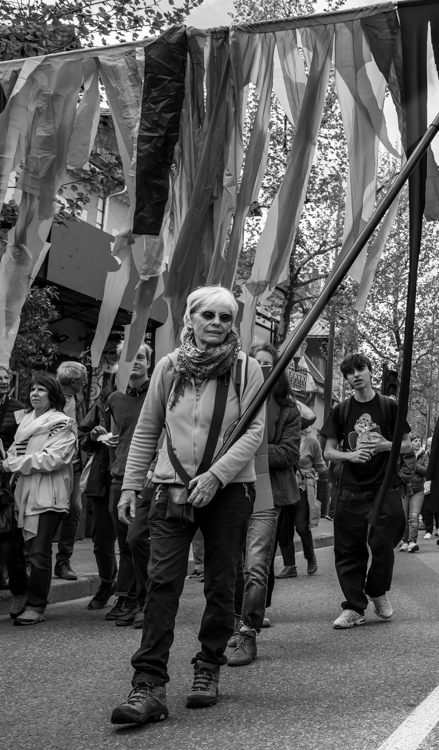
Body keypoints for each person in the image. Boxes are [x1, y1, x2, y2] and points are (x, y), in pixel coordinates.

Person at [109, 286, 265, 724]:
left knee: (221, 583)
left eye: (225, 317)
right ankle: (148, 685)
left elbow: (253, 433)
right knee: (161, 584)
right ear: (190, 320)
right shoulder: (169, 367)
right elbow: (147, 428)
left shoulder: (246, 369)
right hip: (170, 488)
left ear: (233, 325)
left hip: (229, 491)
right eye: (208, 315)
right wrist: (129, 486)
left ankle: (207, 668)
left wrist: (216, 477)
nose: (216, 323)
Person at [320, 353, 411, 630]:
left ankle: (376, 589)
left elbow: (407, 446)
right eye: (349, 372)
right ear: (347, 379)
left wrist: (386, 445)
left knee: (385, 542)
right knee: (349, 550)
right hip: (350, 490)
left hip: (385, 487)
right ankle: (354, 607)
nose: (355, 375)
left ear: (370, 372)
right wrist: (350, 456)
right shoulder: (342, 411)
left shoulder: (389, 407)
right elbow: (329, 451)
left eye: (360, 369)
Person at [228, 343, 300, 668]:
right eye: (256, 363)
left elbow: (289, 453)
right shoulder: (234, 402)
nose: (262, 368)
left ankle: (248, 632)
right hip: (232, 490)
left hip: (268, 494)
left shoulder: (288, 409)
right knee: (232, 564)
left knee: (256, 566)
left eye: (268, 364)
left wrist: (252, 452)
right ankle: (232, 620)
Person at [79, 343, 153, 619]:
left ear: (149, 362)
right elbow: (94, 437)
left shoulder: (159, 393)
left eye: (141, 357)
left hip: (147, 476)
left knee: (137, 540)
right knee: (122, 542)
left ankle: (143, 598)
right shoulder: (111, 398)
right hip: (116, 476)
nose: (135, 362)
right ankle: (127, 598)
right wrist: (98, 435)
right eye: (128, 358)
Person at [3, 373, 77, 625]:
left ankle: (36, 606)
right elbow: (16, 450)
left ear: (53, 395)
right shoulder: (24, 422)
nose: (35, 393)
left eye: (41, 390)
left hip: (48, 495)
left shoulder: (62, 423)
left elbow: (52, 458)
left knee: (38, 553)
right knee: (17, 551)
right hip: (21, 493)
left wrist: (11, 464)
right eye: (32, 389)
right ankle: (22, 595)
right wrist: (9, 460)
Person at [53, 360, 88, 581]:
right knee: (48, 512)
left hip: (74, 464)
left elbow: (83, 426)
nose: (85, 385)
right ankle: (34, 560)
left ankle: (63, 562)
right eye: (83, 382)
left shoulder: (80, 399)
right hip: (50, 466)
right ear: (74, 382)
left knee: (74, 509)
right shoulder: (47, 396)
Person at [287, 403, 325, 576]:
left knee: (302, 527)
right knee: (284, 528)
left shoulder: (312, 441)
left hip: (302, 488)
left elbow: (321, 467)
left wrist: (308, 473)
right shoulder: (285, 436)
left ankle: (311, 558)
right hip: (285, 486)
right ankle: (290, 566)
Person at [0, 365, 25, 593]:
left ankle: (7, 575)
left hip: (6, 474)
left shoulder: (18, 409)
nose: (3, 381)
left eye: (6, 377)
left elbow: (22, 441)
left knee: (6, 528)